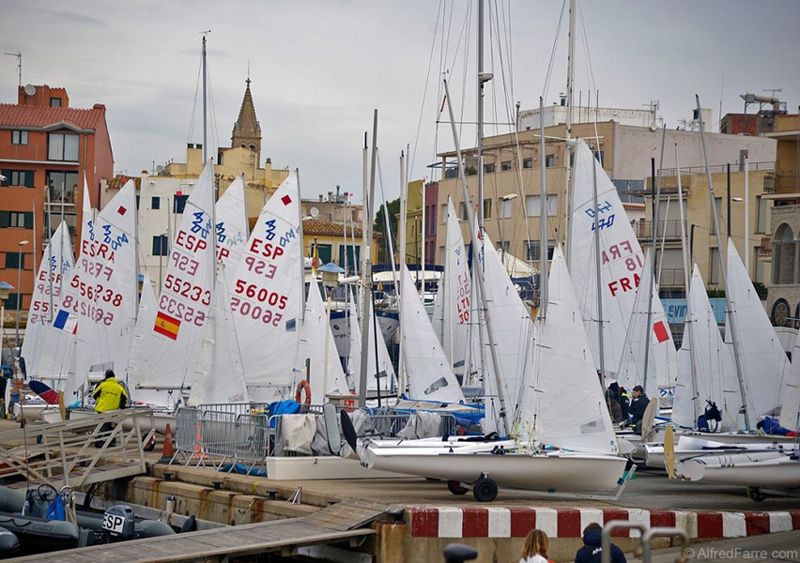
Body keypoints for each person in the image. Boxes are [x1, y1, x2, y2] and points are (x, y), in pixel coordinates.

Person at [92, 369, 130, 447]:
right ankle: (111, 442)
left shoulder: (102, 385)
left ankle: (100, 442)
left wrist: (99, 400)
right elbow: (125, 398)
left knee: (102, 427)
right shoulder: (119, 388)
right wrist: (121, 407)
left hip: (102, 410)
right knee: (112, 427)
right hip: (114, 411)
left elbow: (94, 394)